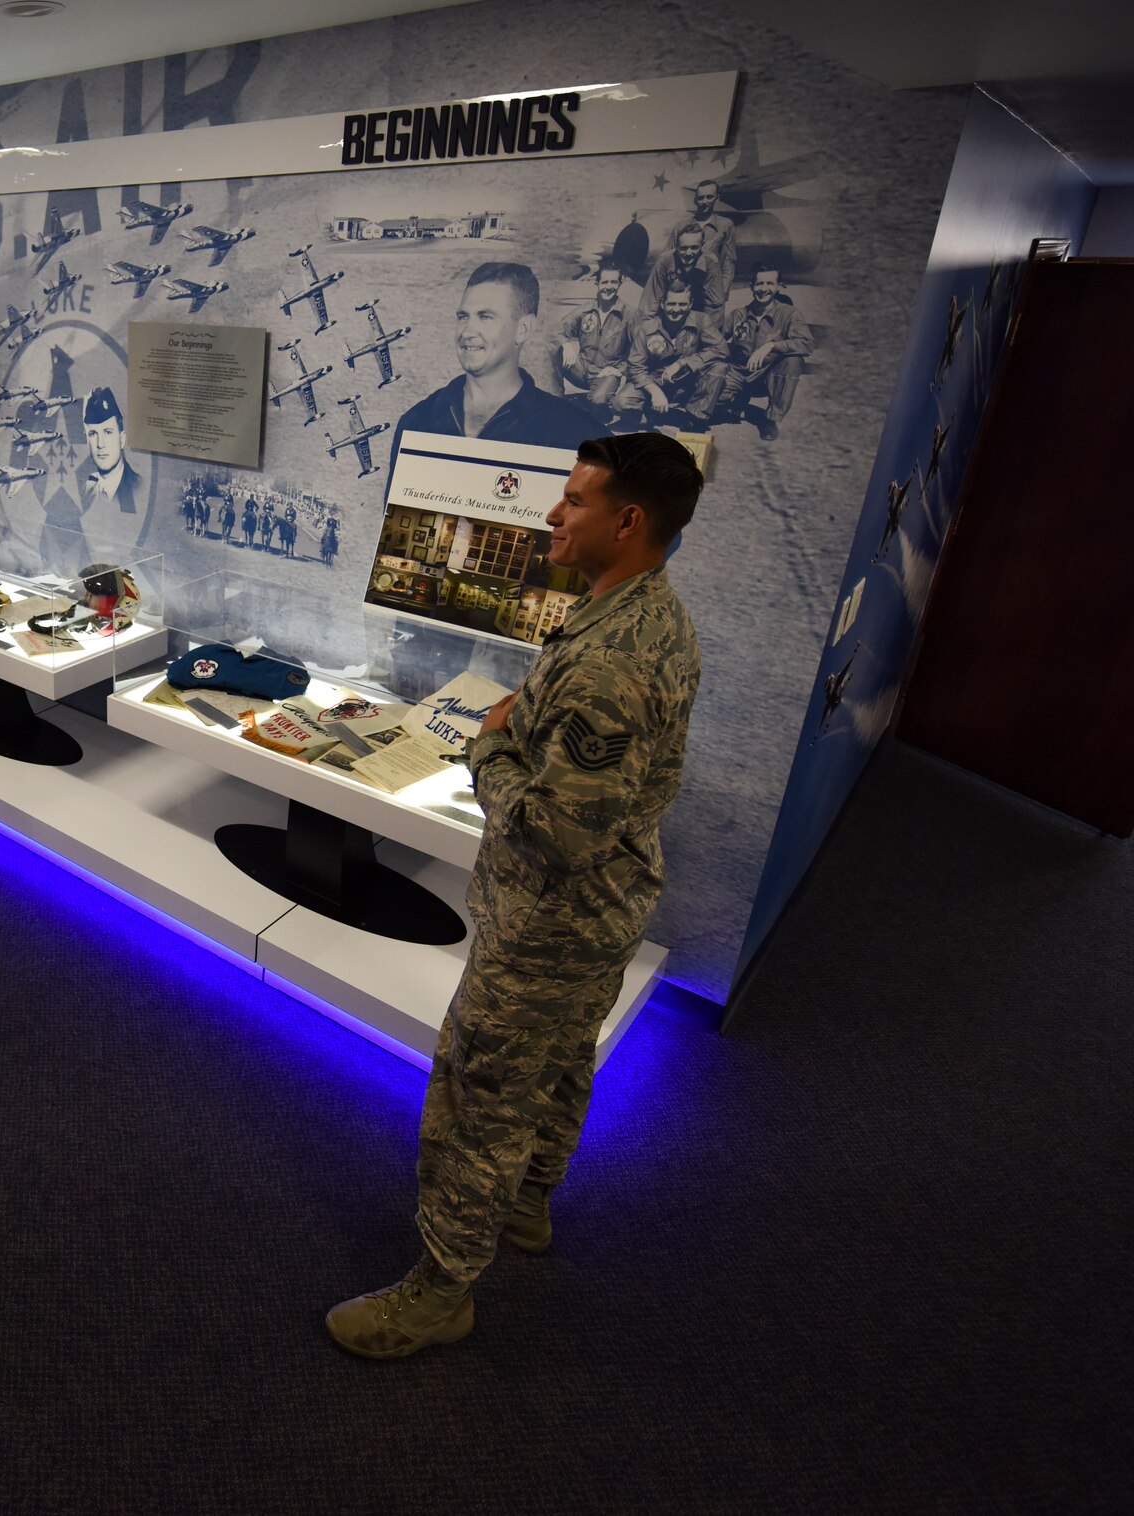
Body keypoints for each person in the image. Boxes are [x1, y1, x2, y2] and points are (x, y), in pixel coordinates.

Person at [327, 431, 703, 1360]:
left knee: (479, 1094)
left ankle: (441, 1288)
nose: (550, 515)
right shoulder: (643, 614)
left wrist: (489, 746)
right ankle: (527, 1209)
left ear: (629, 520)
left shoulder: (617, 659)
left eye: (573, 501)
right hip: (600, 915)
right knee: (562, 1064)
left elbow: (556, 828)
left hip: (548, 925)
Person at [390, 261, 599, 477]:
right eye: (463, 317)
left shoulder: (571, 433)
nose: (467, 331)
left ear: (523, 329)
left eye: (485, 317)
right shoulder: (417, 422)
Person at [711, 263, 814, 440]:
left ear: (778, 286)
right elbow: (716, 341)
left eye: (769, 284)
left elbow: (806, 343)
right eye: (759, 284)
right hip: (738, 372)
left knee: (793, 361)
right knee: (708, 403)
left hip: (768, 374)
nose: (764, 289)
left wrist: (772, 346)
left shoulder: (790, 314)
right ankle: (743, 408)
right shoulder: (738, 315)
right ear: (752, 287)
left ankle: (769, 418)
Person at [625, 280, 727, 427]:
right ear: (662, 304)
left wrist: (682, 363)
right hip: (656, 380)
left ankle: (694, 419)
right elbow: (635, 366)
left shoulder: (701, 320)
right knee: (622, 402)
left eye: (682, 304)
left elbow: (721, 348)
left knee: (719, 369)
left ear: (690, 304)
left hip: (687, 380)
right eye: (671, 304)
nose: (676, 309)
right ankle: (653, 412)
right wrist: (654, 391)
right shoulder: (646, 328)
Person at [556, 262, 634, 419]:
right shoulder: (586, 309)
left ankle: (601, 402)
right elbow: (556, 330)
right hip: (581, 368)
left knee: (598, 400)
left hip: (606, 373)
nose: (609, 287)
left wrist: (620, 369)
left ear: (620, 283)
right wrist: (566, 345)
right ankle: (556, 398)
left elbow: (639, 351)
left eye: (614, 282)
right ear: (597, 283)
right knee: (553, 348)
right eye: (605, 282)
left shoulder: (629, 314)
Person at [637, 224, 727, 330]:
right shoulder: (665, 261)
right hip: (670, 315)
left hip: (698, 318)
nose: (689, 253)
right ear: (676, 245)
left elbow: (715, 307)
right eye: (683, 248)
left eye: (694, 248)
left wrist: (704, 335)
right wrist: (647, 333)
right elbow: (649, 304)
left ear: (701, 246)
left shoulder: (711, 263)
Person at [670, 179, 737, 297]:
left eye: (709, 197)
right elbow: (668, 260)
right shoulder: (680, 226)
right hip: (684, 291)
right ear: (695, 200)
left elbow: (728, 262)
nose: (705, 201)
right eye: (701, 198)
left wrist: (722, 292)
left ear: (717, 198)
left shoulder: (725, 225)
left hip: (711, 290)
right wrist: (673, 289)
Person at [82, 388, 141, 517]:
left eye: (108, 432)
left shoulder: (138, 488)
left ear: (122, 439)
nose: (100, 444)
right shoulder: (88, 487)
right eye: (92, 434)